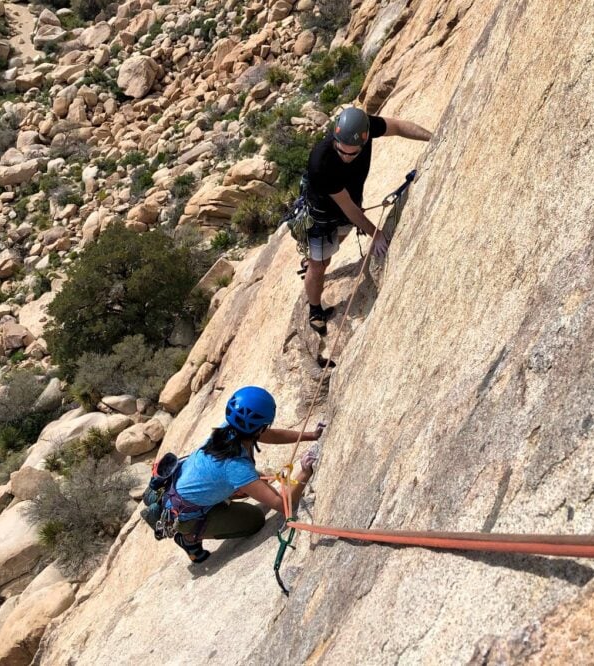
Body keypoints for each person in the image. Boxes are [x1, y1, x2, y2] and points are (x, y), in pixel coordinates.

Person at [302, 106, 432, 333]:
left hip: (348, 205)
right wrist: (376, 234)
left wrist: (433, 138)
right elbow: (349, 209)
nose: (346, 157)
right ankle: (314, 309)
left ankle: (315, 258)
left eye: (352, 153)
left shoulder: (366, 128)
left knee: (332, 249)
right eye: (341, 150)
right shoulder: (321, 162)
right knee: (319, 265)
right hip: (322, 216)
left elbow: (400, 127)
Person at [170, 386, 322, 563]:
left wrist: (311, 435)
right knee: (255, 519)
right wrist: (305, 472)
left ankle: (221, 497)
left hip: (186, 489)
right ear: (260, 427)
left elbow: (271, 436)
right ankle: (189, 538)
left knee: (255, 478)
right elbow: (283, 505)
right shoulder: (236, 467)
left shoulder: (230, 427)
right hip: (187, 514)